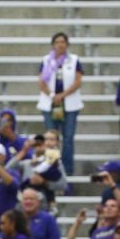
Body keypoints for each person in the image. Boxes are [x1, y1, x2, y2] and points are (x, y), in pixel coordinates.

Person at [36, 32, 83, 175]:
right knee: (51, 139)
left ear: (67, 44)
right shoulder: (46, 60)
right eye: (57, 42)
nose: (60, 44)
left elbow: (77, 81)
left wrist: (63, 95)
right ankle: (52, 169)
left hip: (70, 103)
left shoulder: (74, 60)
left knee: (68, 138)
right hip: (50, 103)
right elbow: (41, 82)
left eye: (63, 42)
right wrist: (52, 95)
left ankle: (68, 172)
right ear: (53, 44)